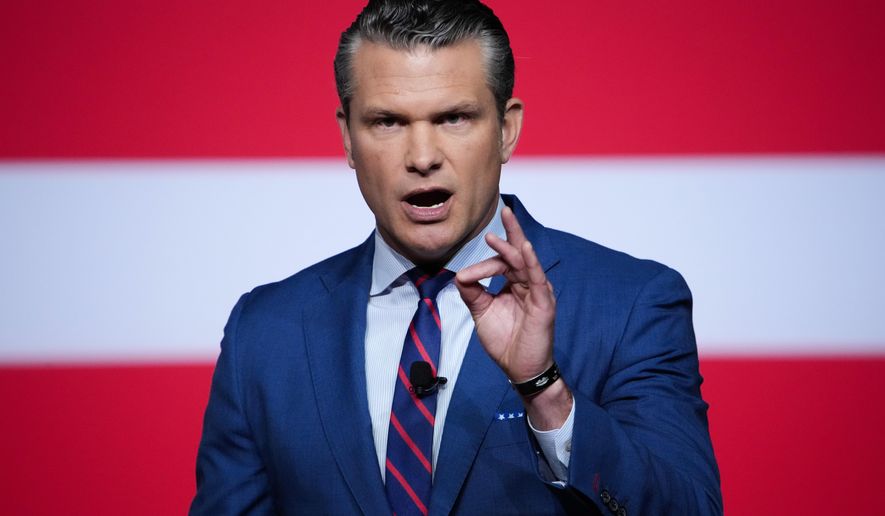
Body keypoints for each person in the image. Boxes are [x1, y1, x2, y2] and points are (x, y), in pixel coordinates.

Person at [191, 0, 722, 514]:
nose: (422, 157)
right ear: (347, 138)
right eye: (387, 122)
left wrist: (545, 390)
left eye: (454, 118)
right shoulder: (263, 332)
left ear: (506, 129)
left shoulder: (630, 304)